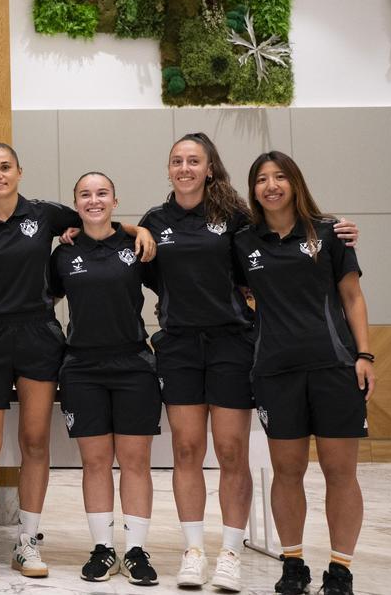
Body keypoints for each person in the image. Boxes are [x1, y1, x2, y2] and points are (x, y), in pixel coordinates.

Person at [140, 133, 358, 590]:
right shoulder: (153, 222)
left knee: (232, 451)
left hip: (233, 345)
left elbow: (284, 236)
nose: (184, 168)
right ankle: (194, 551)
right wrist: (125, 230)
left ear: (210, 168)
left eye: (193, 161)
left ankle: (231, 554)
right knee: (185, 450)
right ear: (168, 169)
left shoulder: (237, 220)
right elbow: (131, 263)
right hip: (178, 346)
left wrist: (338, 229)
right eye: (176, 160)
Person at [0, 143, 154, 583]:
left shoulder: (44, 214)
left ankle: (28, 541)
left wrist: (136, 228)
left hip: (39, 336)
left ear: (19, 172)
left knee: (35, 441)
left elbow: (96, 220)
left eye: (5, 167)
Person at [233, 151, 373, 595]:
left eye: (279, 177)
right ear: (252, 189)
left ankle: (341, 569)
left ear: (295, 182)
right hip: (274, 371)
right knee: (286, 471)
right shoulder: (243, 243)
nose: (271, 185)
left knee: (340, 472)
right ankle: (293, 565)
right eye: (261, 179)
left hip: (334, 367)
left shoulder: (329, 233)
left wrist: (365, 355)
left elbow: (352, 296)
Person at [48, 172, 161, 587]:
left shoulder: (138, 245)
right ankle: (102, 548)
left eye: (101, 193)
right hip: (81, 368)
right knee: (94, 463)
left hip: (133, 365)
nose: (94, 200)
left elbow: (174, 290)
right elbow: (42, 301)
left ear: (115, 200)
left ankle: (134, 551)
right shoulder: (63, 254)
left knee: (135, 463)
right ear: (76, 203)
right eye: (85, 195)